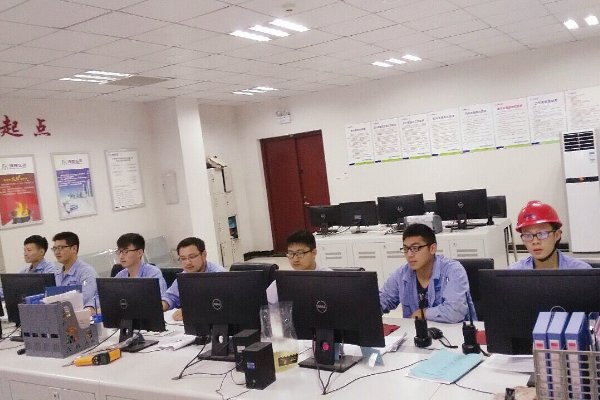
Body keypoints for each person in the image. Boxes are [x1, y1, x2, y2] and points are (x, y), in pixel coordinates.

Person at [379, 223, 477, 323]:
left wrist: (422, 313)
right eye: (405, 249)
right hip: (416, 332)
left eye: (415, 248)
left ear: (432, 249)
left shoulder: (453, 270)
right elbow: (383, 300)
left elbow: (455, 312)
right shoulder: (401, 274)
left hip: (455, 331)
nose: (409, 255)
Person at [508, 201, 591, 270]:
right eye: (528, 235)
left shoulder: (581, 272)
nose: (535, 241)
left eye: (542, 233)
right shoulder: (513, 274)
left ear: (557, 235)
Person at [162, 237, 225, 321]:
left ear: (204, 255)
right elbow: (171, 297)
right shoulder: (184, 276)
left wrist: (191, 311)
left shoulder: (219, 274)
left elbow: (221, 304)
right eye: (183, 259)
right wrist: (160, 306)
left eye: (192, 257)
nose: (188, 262)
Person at [266, 230, 331, 304]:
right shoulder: (282, 281)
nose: (295, 259)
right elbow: (270, 306)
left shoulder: (328, 278)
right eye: (290, 253)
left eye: (300, 253)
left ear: (314, 253)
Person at [52, 231, 98, 314]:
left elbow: (85, 299)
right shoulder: (57, 274)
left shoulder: (86, 272)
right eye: (54, 249)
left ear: (74, 249)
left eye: (59, 248)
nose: (56, 252)